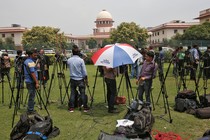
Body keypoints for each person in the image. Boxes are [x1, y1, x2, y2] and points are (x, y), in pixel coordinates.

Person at [67, 45, 89, 113]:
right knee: (82, 93)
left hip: (72, 78)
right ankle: (85, 107)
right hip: (80, 79)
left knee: (72, 93)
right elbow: (84, 72)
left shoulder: (69, 60)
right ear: (78, 53)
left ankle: (71, 107)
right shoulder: (81, 60)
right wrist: (86, 79)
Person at [23, 49, 39, 114]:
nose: (36, 55)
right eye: (34, 53)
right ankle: (30, 110)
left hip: (29, 81)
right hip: (31, 81)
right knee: (32, 96)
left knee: (32, 95)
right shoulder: (30, 62)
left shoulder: (28, 61)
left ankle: (31, 108)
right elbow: (32, 73)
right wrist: (37, 82)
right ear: (30, 54)